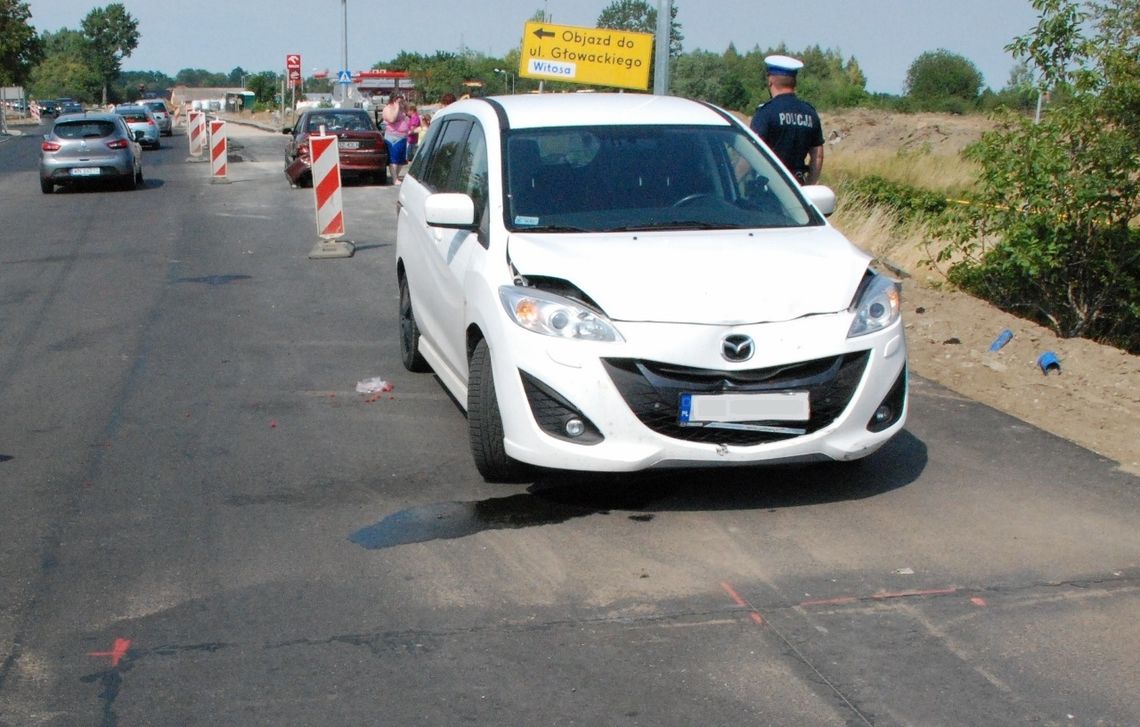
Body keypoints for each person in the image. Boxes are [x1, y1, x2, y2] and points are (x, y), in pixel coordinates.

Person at [750, 55, 824, 185]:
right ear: (794, 82)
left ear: (770, 81)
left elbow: (750, 153)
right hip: (797, 186)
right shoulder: (810, 113)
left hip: (770, 189)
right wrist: (809, 186)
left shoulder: (766, 113)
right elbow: (818, 155)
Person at [382, 94, 412, 184]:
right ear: (393, 100)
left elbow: (408, 114)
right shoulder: (388, 108)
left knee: (400, 160)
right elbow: (392, 119)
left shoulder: (402, 108)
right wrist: (397, 107)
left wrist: (403, 105)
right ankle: (394, 179)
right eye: (398, 100)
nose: (400, 102)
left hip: (402, 136)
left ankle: (396, 177)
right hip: (393, 137)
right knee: (394, 159)